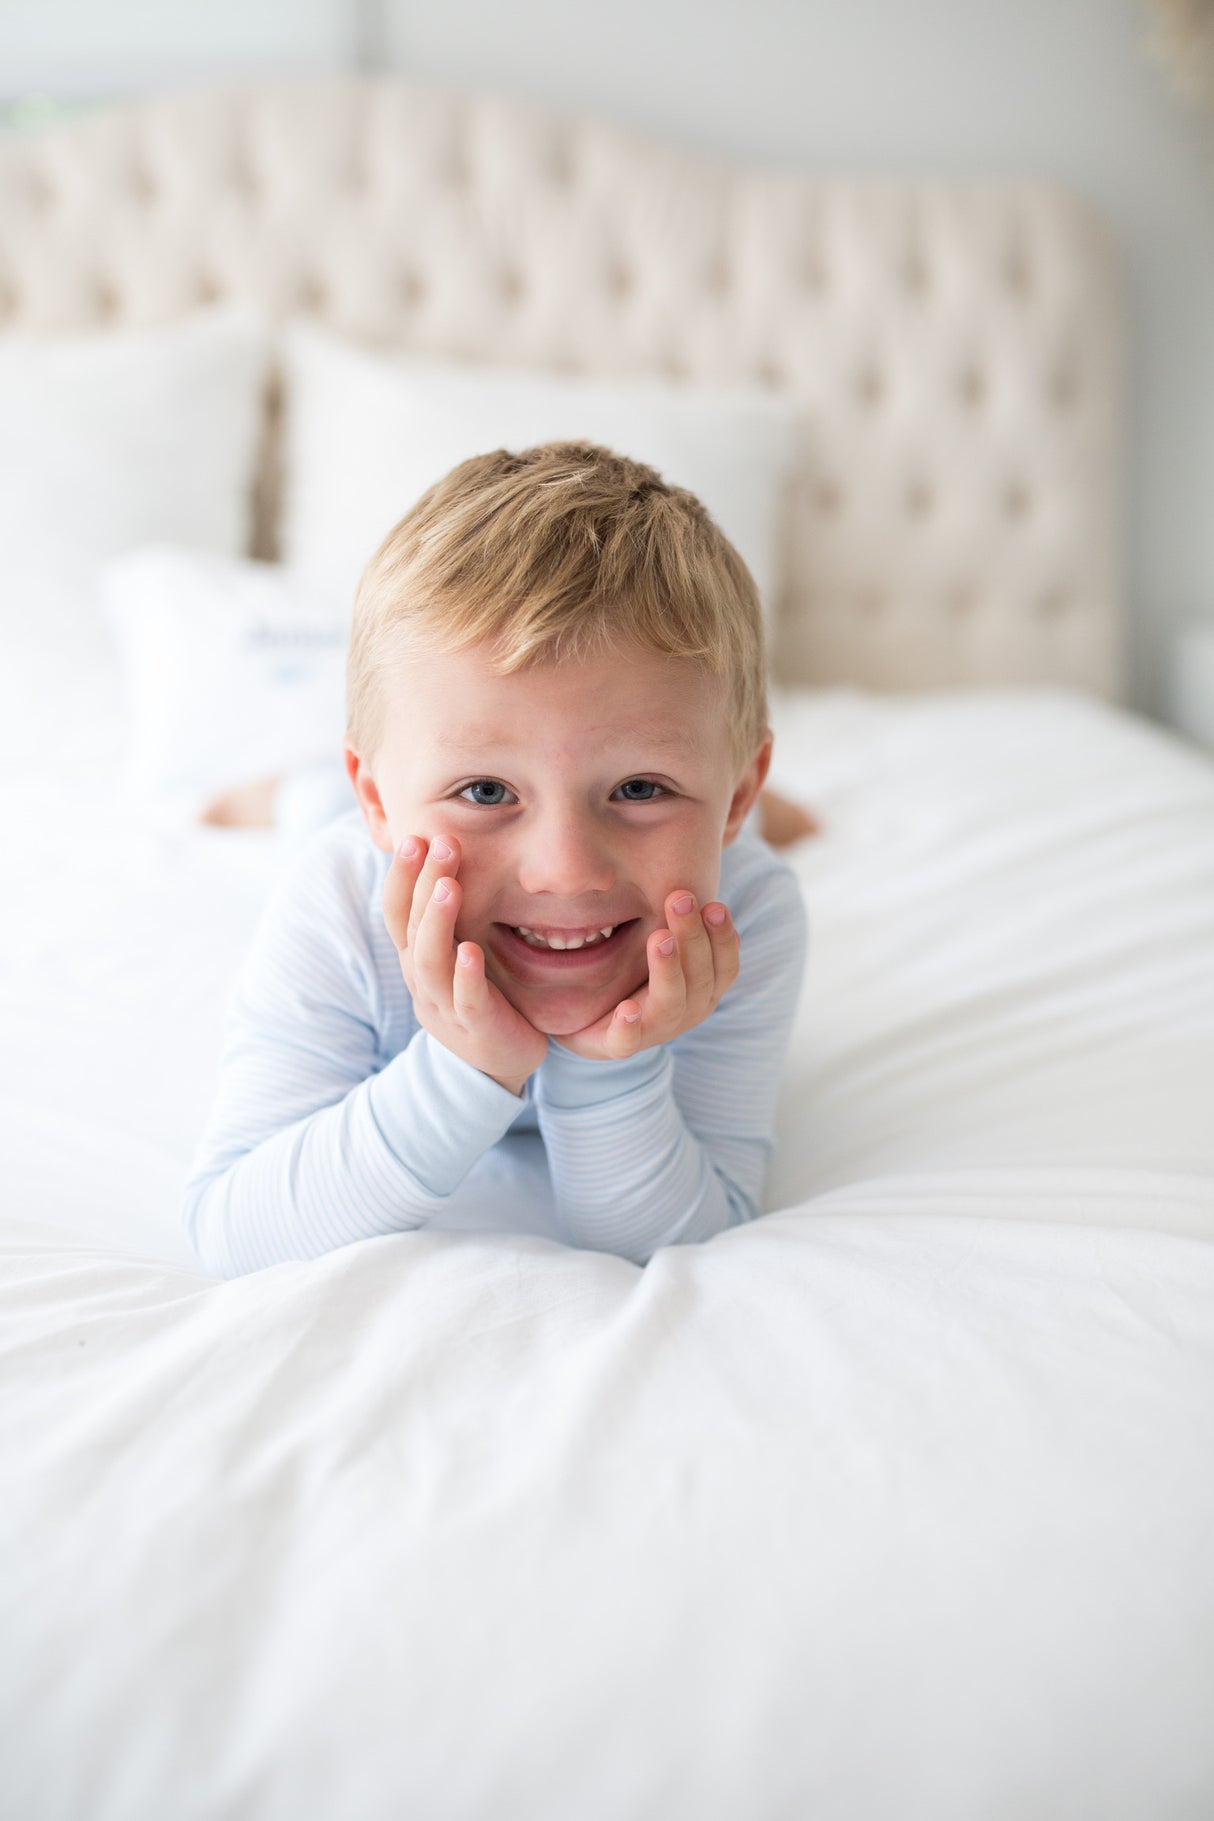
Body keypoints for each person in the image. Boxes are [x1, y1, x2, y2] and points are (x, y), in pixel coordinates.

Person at [183, 443, 811, 1277]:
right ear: (379, 799)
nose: (565, 870)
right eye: (484, 790)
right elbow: (235, 1233)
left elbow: (694, 1230)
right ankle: (297, 790)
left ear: (734, 798)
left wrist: (606, 1065)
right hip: (344, 825)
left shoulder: (745, 915)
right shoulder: (338, 900)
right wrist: (464, 1063)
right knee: (314, 818)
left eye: (640, 787)